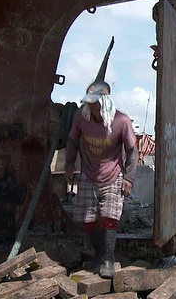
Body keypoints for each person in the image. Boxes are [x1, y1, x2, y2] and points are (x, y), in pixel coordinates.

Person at [64, 80, 138, 278]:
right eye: (88, 101)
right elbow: (72, 141)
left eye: (95, 102)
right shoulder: (81, 116)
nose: (91, 105)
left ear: (105, 101)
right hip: (89, 173)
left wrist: (129, 178)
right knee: (87, 220)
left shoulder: (121, 121)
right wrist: (69, 164)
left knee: (108, 218)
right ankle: (99, 254)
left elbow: (132, 151)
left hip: (113, 174)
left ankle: (108, 260)